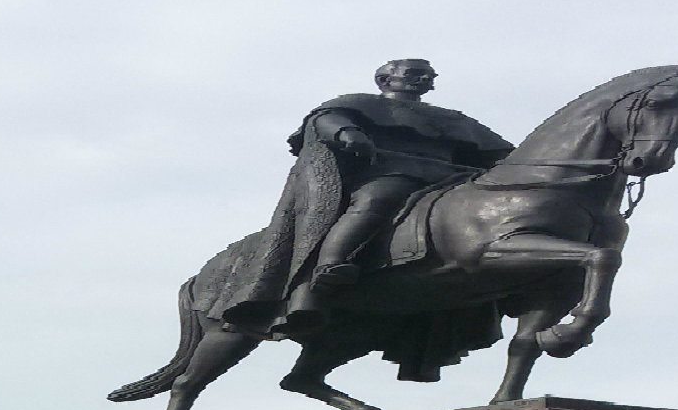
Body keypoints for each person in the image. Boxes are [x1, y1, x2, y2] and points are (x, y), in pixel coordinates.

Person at [204, 59, 514, 338]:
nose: (423, 79)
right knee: (376, 201)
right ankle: (331, 264)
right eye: (414, 73)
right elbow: (325, 119)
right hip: (390, 173)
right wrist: (347, 134)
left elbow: (501, 152)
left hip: (452, 179)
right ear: (385, 80)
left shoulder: (453, 119)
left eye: (428, 75)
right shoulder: (359, 104)